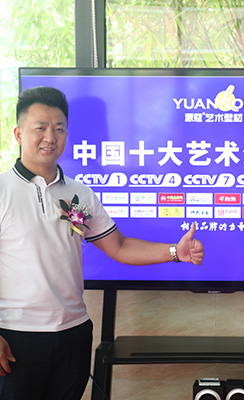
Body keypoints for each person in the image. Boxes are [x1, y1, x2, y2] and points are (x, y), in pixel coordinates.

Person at [0, 86, 204, 400]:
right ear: (18, 133)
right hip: (15, 336)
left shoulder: (79, 194)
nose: (50, 137)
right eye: (40, 128)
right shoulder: (2, 191)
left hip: (73, 332)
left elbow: (119, 246)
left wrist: (176, 252)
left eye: (58, 129)